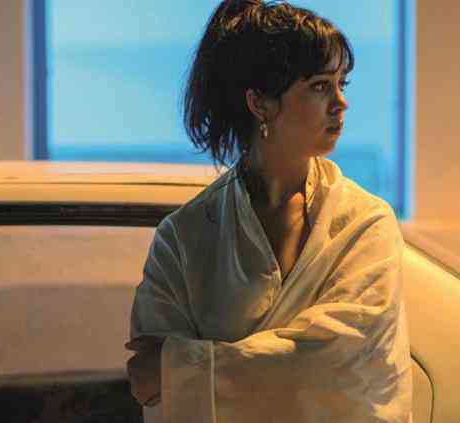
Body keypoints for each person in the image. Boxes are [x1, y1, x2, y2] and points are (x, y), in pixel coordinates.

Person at [126, 0, 413, 422]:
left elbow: (341, 365)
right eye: (320, 86)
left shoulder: (364, 223)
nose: (341, 103)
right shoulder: (184, 238)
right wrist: (181, 373)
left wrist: (183, 369)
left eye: (342, 83)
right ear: (260, 104)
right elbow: (150, 386)